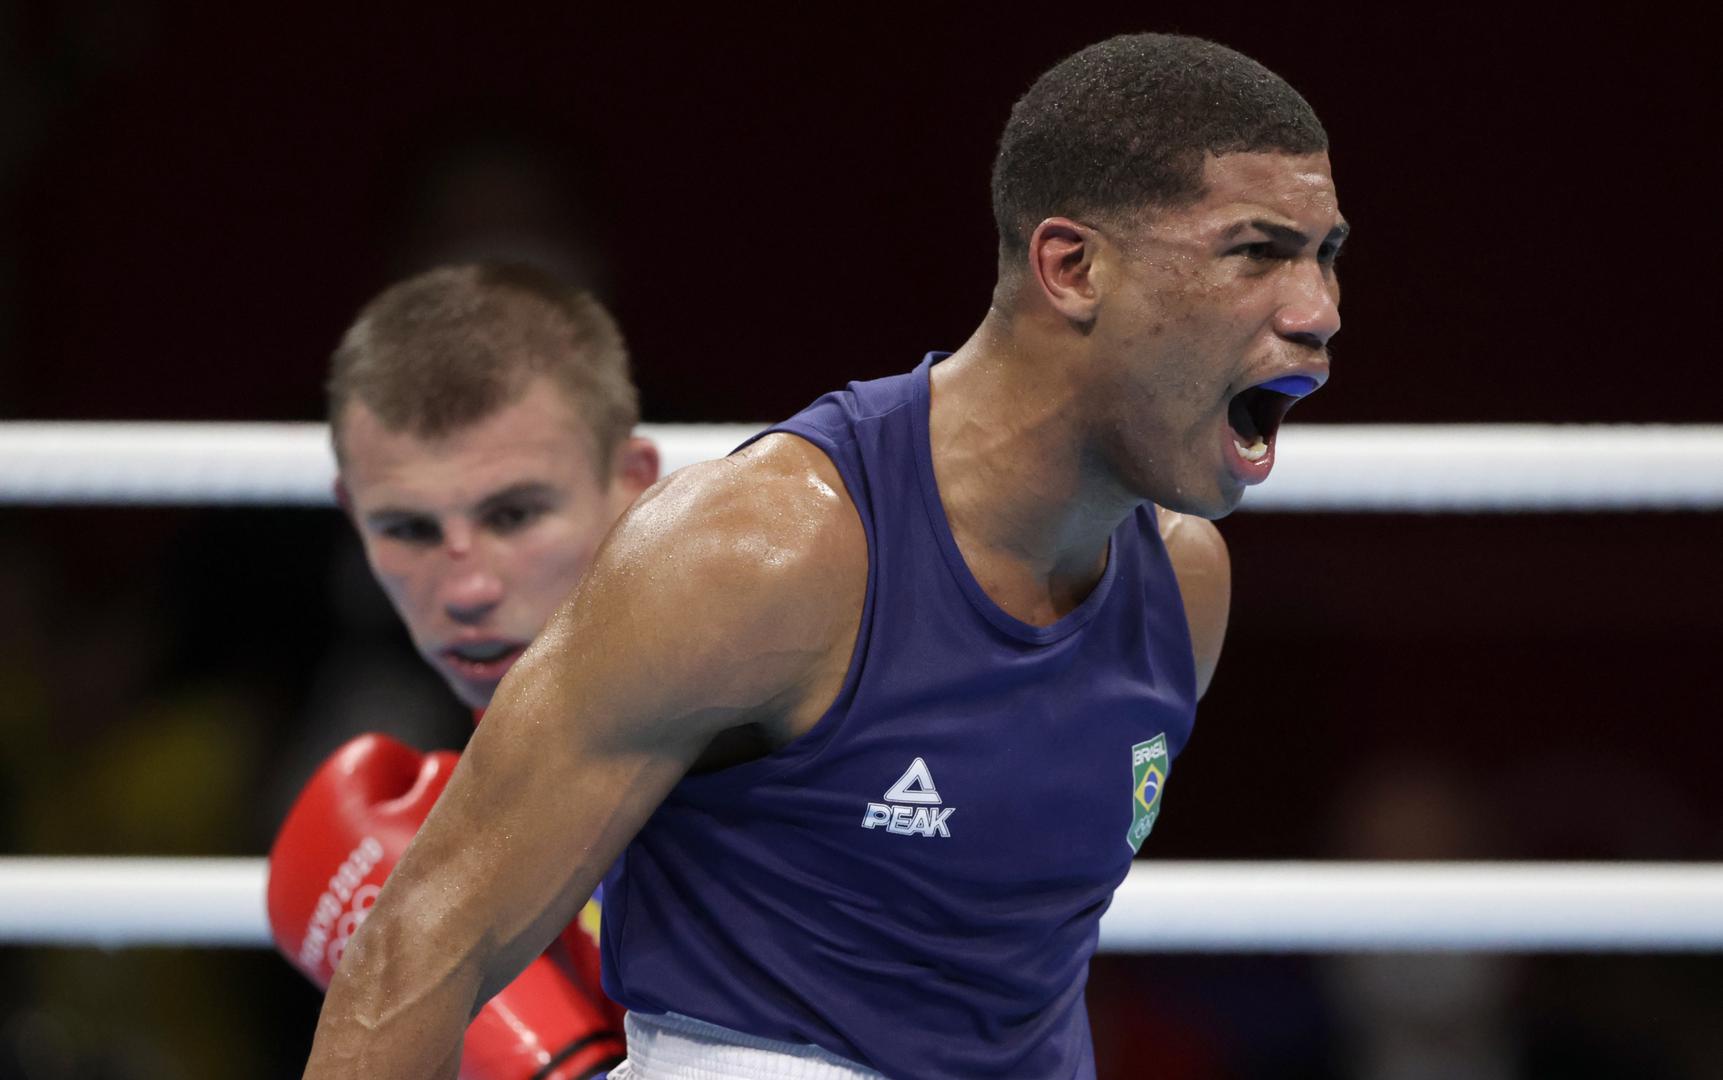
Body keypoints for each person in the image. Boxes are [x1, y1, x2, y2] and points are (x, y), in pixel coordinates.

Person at [303, 32, 1346, 1079]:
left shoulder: (1182, 582)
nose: (1317, 315)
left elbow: (1001, 990)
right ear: (1071, 267)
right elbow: (418, 953)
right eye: (1254, 252)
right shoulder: (768, 552)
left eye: (1325, 257)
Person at [265, 263, 659, 1079]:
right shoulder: (496, 793)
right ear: (352, 516)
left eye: (513, 515)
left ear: (632, 486)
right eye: (406, 528)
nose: (468, 588)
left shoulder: (760, 739)